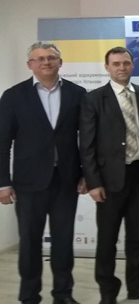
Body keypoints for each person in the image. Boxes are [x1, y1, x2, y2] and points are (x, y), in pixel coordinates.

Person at [0, 41, 87, 304]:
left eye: (51, 57)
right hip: (28, 183)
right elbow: (3, 142)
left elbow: (87, 139)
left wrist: (86, 174)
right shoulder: (13, 96)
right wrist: (3, 183)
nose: (46, 62)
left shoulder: (78, 93)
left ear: (61, 62)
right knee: (29, 243)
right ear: (30, 65)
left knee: (63, 241)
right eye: (39, 59)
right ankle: (29, 297)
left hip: (66, 181)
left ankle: (63, 294)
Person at [79, 47, 139, 304]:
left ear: (133, 65)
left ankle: (137, 286)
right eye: (115, 63)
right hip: (108, 180)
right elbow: (87, 145)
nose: (121, 68)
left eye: (126, 63)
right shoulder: (94, 98)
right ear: (107, 67)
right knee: (107, 240)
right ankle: (108, 292)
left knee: (138, 237)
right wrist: (93, 182)